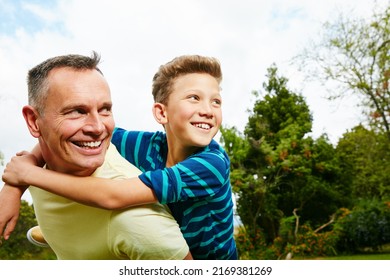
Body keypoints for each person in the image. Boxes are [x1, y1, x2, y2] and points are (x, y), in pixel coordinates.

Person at [3, 55, 237, 260]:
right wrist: (14, 185)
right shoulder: (145, 145)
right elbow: (77, 133)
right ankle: (63, 230)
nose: (208, 109)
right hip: (170, 222)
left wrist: (29, 175)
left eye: (216, 101)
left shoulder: (212, 165)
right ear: (161, 112)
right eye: (194, 98)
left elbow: (114, 197)